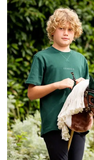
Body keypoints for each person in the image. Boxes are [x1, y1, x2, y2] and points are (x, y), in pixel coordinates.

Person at [25, 8, 89, 160]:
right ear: (53, 31)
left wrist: (83, 86)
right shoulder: (42, 57)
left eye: (70, 29)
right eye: (61, 28)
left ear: (75, 33)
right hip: (54, 124)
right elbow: (31, 94)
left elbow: (89, 96)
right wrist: (56, 85)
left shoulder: (81, 60)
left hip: (78, 122)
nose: (66, 33)